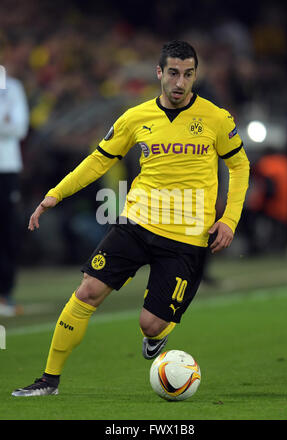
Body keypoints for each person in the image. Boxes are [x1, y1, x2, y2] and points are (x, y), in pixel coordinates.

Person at [12, 40, 249, 396]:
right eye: (172, 73)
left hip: (187, 237)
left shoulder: (216, 118)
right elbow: (98, 160)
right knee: (88, 290)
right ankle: (49, 380)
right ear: (159, 73)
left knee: (151, 324)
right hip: (136, 223)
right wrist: (54, 194)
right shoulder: (135, 117)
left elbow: (240, 165)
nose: (179, 83)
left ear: (195, 75)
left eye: (187, 74)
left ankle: (157, 335)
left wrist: (229, 219)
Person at [0, 72, 29, 317]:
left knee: (7, 230)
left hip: (6, 168)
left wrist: (8, 123)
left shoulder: (12, 86)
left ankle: (4, 294)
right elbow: (9, 125)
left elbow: (19, 128)